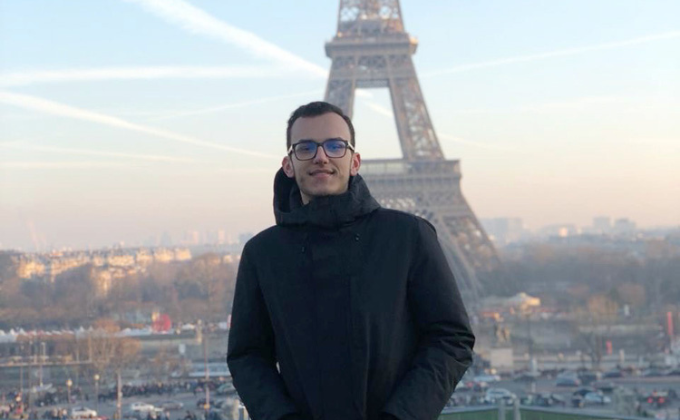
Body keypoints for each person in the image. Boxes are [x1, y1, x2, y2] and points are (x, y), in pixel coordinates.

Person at [227, 101, 475, 420]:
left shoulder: (409, 236)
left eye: (335, 146)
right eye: (305, 147)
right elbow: (248, 355)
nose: (321, 156)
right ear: (288, 165)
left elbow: (451, 337)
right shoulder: (261, 254)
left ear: (354, 161)